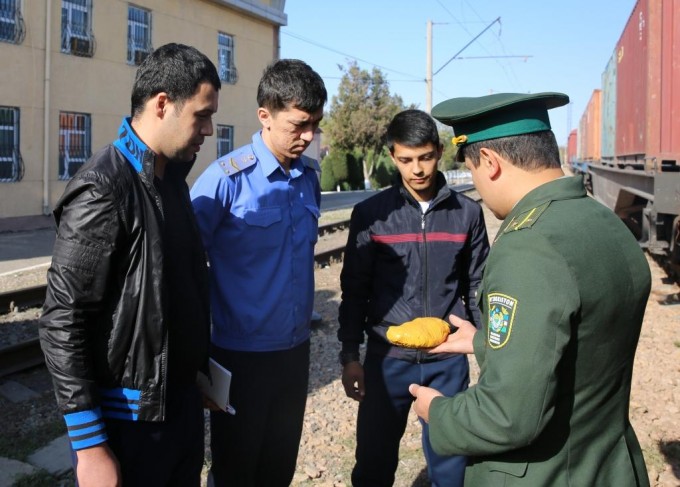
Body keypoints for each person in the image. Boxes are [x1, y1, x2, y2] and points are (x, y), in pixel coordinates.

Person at [409, 92, 651, 486]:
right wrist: (486, 343)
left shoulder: (529, 246)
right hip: (608, 467)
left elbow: (508, 416)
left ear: (490, 162)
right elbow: (581, 346)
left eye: (472, 170)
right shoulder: (604, 223)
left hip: (547, 474)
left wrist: (437, 412)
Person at [38, 43, 220, 487]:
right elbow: (63, 321)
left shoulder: (172, 178)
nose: (210, 129)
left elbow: (172, 292)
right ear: (163, 104)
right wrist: (90, 447)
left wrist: (192, 373)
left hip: (176, 409)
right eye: (201, 114)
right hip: (131, 425)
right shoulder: (105, 187)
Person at [190, 58, 327, 486]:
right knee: (235, 468)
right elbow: (184, 269)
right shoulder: (224, 181)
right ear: (264, 116)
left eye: (315, 125)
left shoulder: (308, 178)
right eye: (299, 125)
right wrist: (195, 358)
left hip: (294, 352)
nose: (308, 136)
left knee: (278, 467)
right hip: (239, 356)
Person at [338, 109, 490, 487]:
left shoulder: (467, 214)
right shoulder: (371, 215)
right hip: (386, 360)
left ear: (438, 152)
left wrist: (487, 350)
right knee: (373, 465)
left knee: (451, 468)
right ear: (392, 156)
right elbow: (355, 289)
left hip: (448, 360)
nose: (417, 169)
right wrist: (349, 357)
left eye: (425, 157)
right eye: (406, 160)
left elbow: (478, 285)